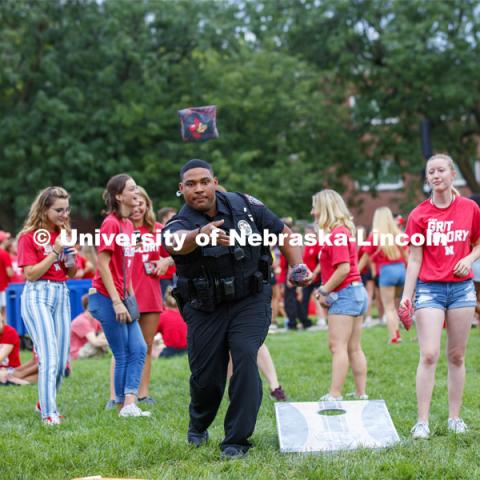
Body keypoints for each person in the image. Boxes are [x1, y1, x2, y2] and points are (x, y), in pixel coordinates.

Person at [163, 159, 311, 459]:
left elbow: (282, 231)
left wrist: (297, 265)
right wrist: (199, 235)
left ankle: (236, 440)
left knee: (245, 355)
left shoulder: (244, 205)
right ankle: (199, 422)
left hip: (250, 299)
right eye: (191, 184)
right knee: (207, 380)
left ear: (215, 182)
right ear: (181, 189)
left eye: (205, 181)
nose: (199, 188)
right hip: (205, 307)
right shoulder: (180, 222)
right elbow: (175, 243)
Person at [400, 153, 480, 439]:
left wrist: (469, 259)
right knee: (430, 354)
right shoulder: (418, 215)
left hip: (461, 290)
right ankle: (422, 422)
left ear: (452, 173)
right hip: (430, 289)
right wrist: (405, 297)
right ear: (428, 178)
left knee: (457, 356)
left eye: (440, 170)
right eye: (430, 172)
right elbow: (414, 259)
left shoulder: (470, 208)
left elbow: (478, 242)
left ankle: (454, 418)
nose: (435, 175)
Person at [88, 174, 150, 418]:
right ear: (118, 196)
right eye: (132, 189)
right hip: (106, 297)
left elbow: (126, 266)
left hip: (123, 297)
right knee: (123, 352)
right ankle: (121, 404)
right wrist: (116, 302)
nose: (136, 193)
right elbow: (102, 265)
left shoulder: (127, 224)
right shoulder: (111, 224)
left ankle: (129, 403)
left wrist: (130, 297)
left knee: (139, 347)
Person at [17, 186, 77, 424]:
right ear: (44, 209)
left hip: (61, 293)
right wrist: (55, 251)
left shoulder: (63, 234)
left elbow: (71, 272)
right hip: (37, 295)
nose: (64, 214)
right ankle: (49, 415)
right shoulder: (28, 236)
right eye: (59, 210)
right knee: (49, 357)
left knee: (62, 362)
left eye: (66, 209)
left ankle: (44, 401)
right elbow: (31, 274)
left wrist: (70, 255)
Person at [312, 189, 368, 401]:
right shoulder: (342, 232)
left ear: (325, 208)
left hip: (345, 293)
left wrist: (323, 290)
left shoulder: (337, 234)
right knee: (353, 347)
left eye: (315, 206)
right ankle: (361, 393)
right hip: (356, 291)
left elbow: (343, 269)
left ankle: (335, 394)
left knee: (337, 346)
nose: (312, 211)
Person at [131, 187, 165, 402]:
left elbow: (173, 259)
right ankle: (116, 395)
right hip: (125, 295)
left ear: (147, 204)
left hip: (150, 293)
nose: (137, 208)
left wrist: (164, 262)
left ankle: (142, 393)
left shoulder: (158, 230)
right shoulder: (117, 229)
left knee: (147, 344)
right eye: (132, 203)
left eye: (140, 203)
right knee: (123, 347)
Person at [358, 207, 408, 343]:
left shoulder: (375, 235)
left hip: (387, 271)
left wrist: (354, 273)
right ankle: (399, 331)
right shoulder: (398, 233)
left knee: (389, 307)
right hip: (401, 270)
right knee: (396, 305)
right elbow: (407, 256)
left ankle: (394, 337)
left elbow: (364, 258)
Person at [70, 294, 108, 360]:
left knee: (104, 334)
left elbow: (105, 334)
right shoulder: (82, 321)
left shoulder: (94, 319)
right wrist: (113, 342)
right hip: (77, 353)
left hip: (87, 348)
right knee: (101, 338)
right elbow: (95, 342)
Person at [157, 287, 187, 358]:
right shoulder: (184, 314)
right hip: (187, 350)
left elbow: (153, 333)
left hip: (170, 351)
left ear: (165, 302)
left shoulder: (163, 316)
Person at [157, 207, 177, 299]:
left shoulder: (173, 232)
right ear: (164, 218)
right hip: (164, 277)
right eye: (173, 216)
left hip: (175, 274)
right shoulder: (159, 233)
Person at [0, 231, 13, 320]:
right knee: (4, 312)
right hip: (3, 288)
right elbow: (10, 273)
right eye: (7, 239)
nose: (8, 241)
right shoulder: (4, 254)